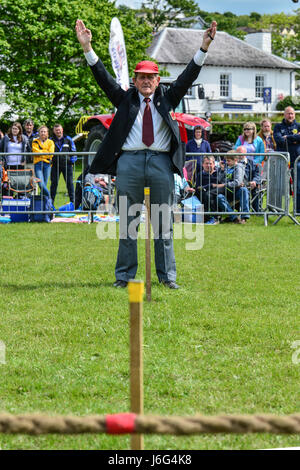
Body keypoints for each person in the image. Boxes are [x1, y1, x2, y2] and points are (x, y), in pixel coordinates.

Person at [75, 18, 217, 289]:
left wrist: (204, 47)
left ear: (158, 79)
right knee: (128, 224)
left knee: (163, 223)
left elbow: (188, 76)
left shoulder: (169, 96)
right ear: (135, 80)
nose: (146, 81)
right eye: (141, 77)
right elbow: (103, 78)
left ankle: (167, 278)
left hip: (161, 163)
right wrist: (87, 48)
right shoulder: (124, 98)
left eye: (150, 77)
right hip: (129, 162)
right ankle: (124, 277)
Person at [273, 106, 300, 212]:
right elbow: (279, 140)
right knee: (280, 187)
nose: (290, 115)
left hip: (297, 161)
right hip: (282, 161)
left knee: (298, 187)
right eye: (288, 113)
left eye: (292, 113)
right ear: (284, 114)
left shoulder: (298, 126)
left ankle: (297, 211)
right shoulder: (278, 127)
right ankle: (277, 210)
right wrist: (295, 138)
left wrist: (287, 137)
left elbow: (285, 139)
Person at [213, 151, 249, 224]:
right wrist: (222, 170)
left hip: (236, 192)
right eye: (226, 160)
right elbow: (220, 180)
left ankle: (244, 217)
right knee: (219, 197)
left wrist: (225, 184)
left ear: (235, 160)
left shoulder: (239, 167)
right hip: (226, 192)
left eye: (229, 160)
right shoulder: (226, 167)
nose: (227, 162)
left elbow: (238, 182)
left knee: (244, 190)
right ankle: (234, 217)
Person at [50, 124, 77, 206]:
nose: (58, 131)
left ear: (62, 130)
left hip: (67, 165)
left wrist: (72, 162)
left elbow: (74, 151)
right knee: (54, 184)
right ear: (54, 131)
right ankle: (51, 204)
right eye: (56, 130)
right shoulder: (51, 140)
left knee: (70, 184)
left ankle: (74, 203)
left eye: (59, 130)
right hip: (55, 165)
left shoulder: (68, 139)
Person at [236, 146, 261, 212]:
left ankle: (256, 210)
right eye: (237, 153)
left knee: (257, 188)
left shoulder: (252, 163)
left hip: (249, 184)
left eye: (240, 153)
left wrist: (254, 181)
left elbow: (257, 175)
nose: (239, 155)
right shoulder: (233, 163)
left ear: (245, 153)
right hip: (236, 185)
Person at [195, 155, 219, 225]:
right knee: (204, 194)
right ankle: (207, 217)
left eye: (210, 163)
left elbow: (221, 185)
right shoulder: (200, 175)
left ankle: (214, 217)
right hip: (203, 194)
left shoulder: (218, 173)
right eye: (206, 163)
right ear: (202, 164)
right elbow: (198, 187)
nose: (208, 165)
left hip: (216, 193)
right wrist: (210, 186)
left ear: (214, 164)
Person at [32, 125, 54, 198]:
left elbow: (51, 153)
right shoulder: (35, 141)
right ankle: (49, 198)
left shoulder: (50, 142)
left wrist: (41, 153)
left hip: (47, 165)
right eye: (41, 131)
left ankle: (43, 205)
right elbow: (35, 151)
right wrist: (45, 152)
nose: (43, 133)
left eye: (44, 131)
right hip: (38, 164)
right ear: (38, 133)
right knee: (41, 184)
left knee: (44, 184)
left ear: (47, 133)